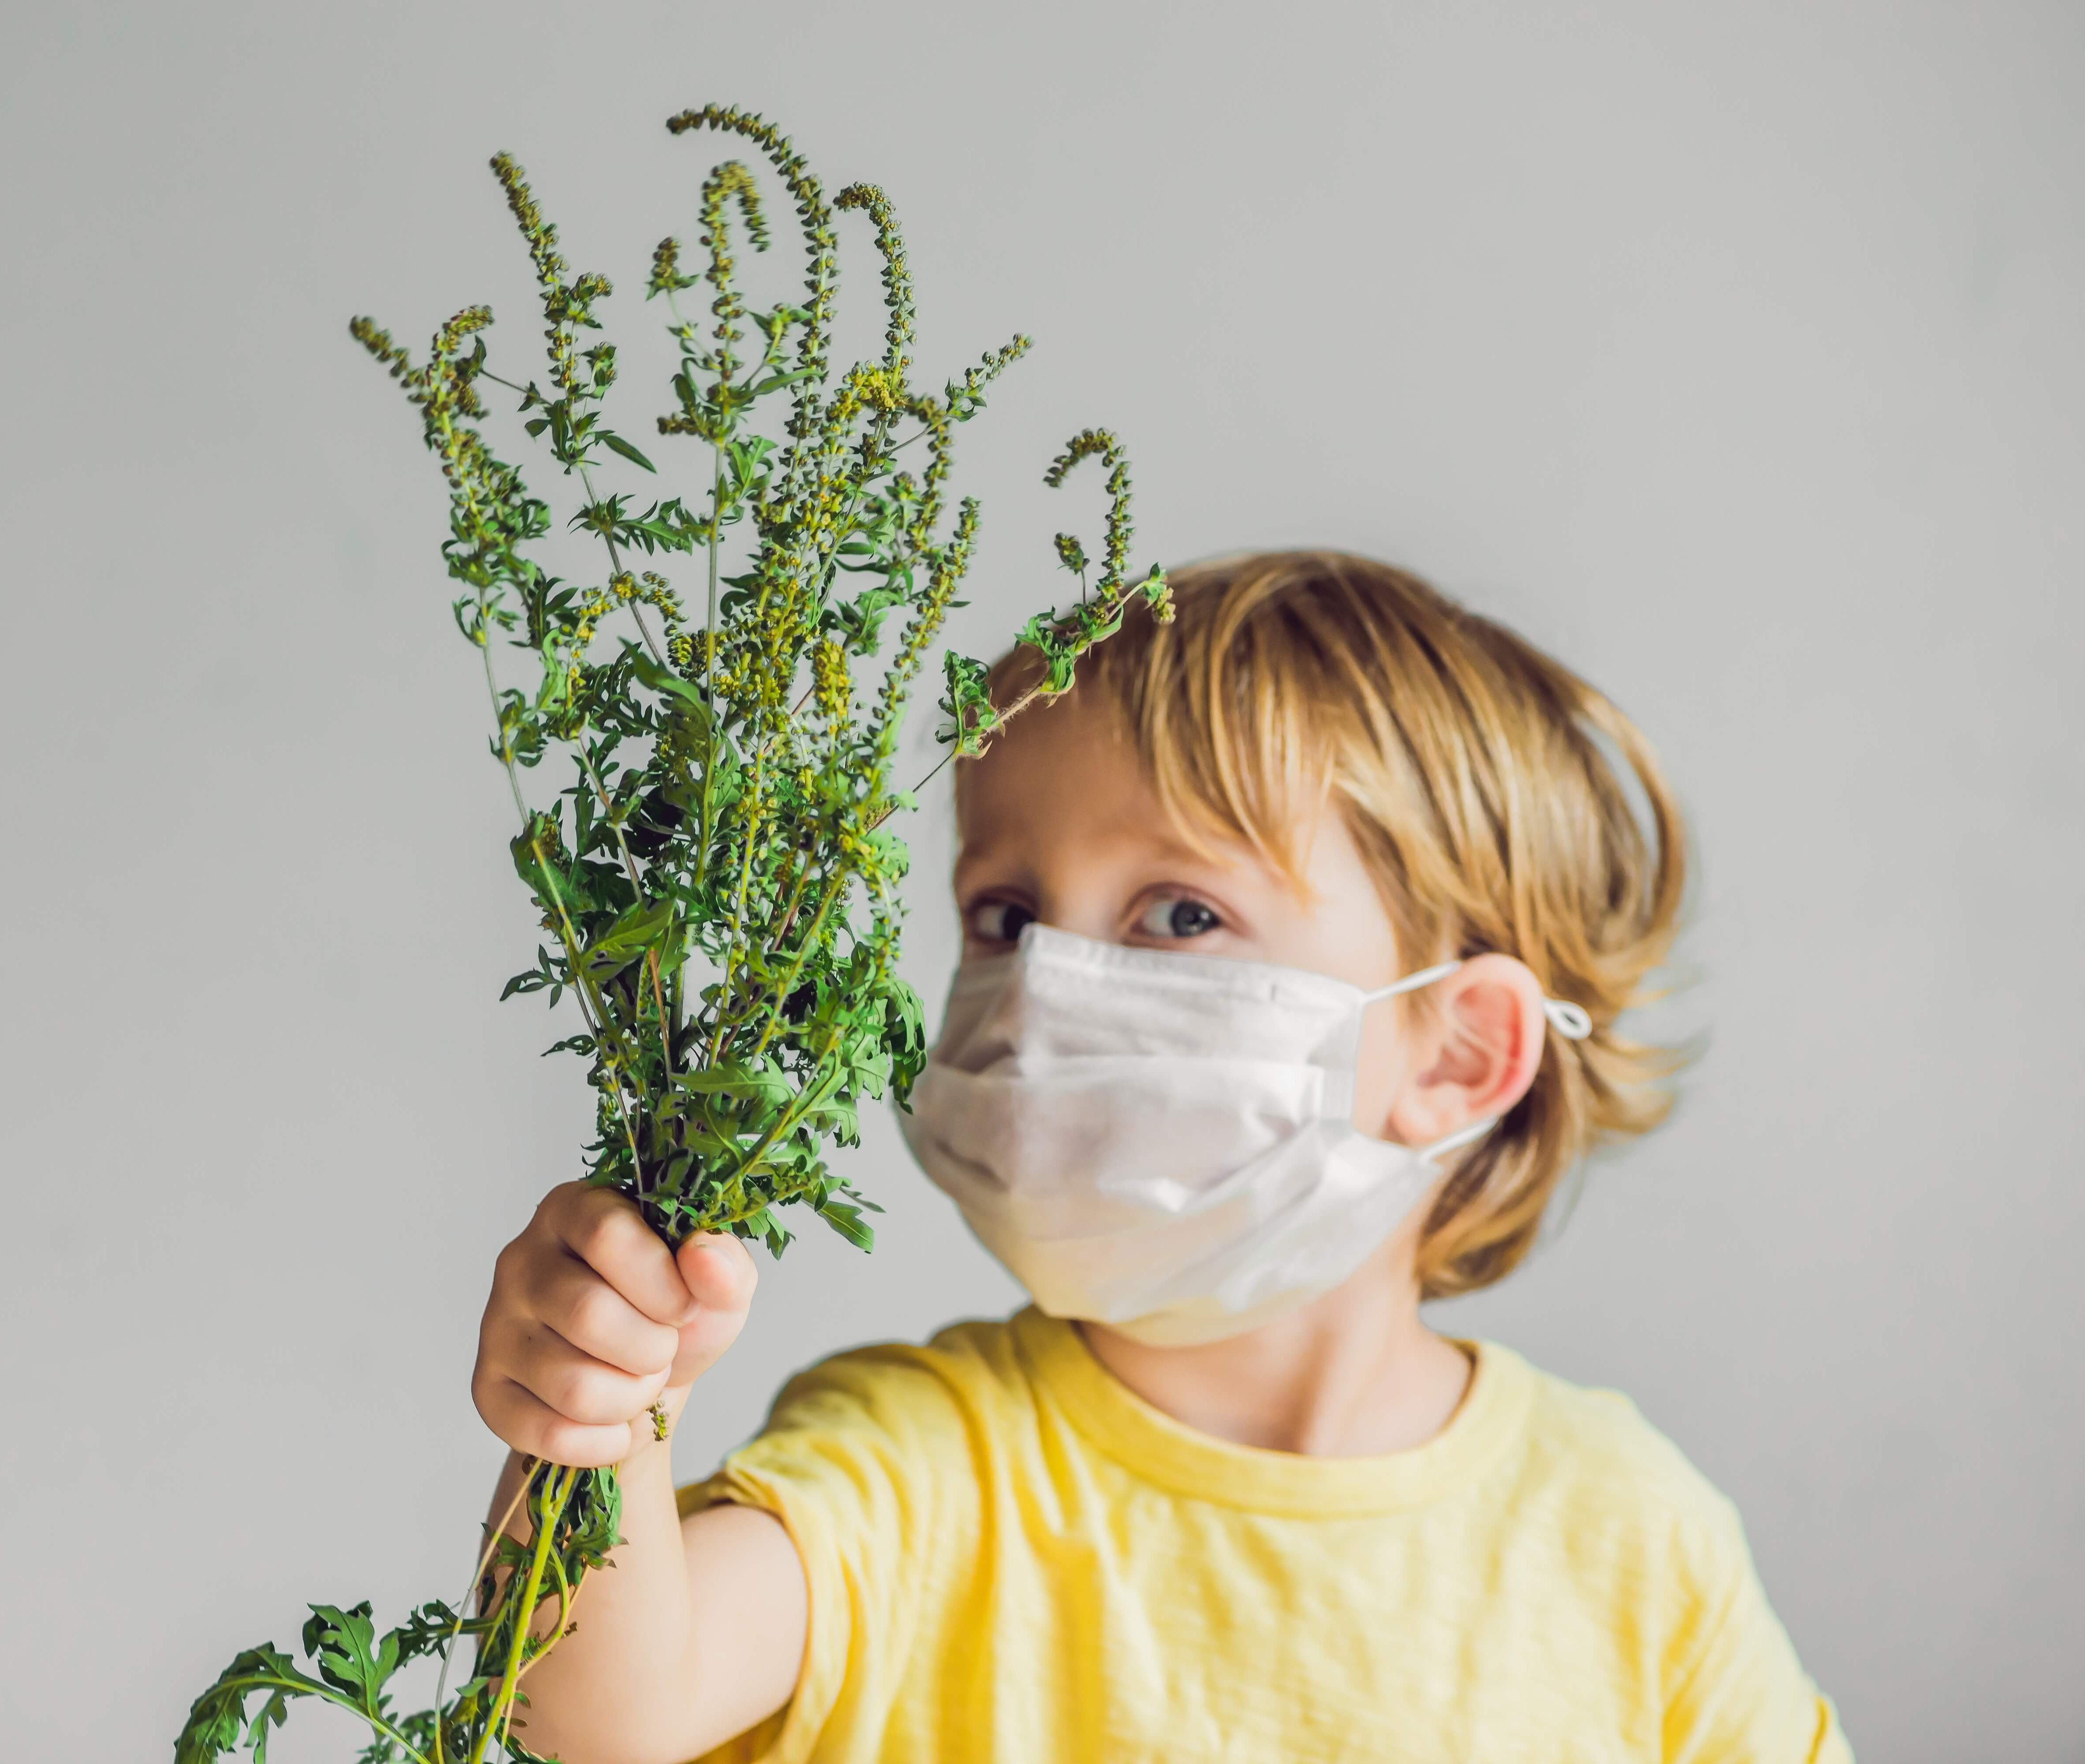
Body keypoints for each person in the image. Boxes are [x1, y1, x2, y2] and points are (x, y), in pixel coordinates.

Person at [469, 551, 1852, 1763]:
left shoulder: (1625, 1535)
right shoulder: (921, 1464)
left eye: (1180, 913)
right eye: (1004, 917)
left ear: (1453, 1054)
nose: (1050, 990)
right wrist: (597, 1415)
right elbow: (598, 1713)